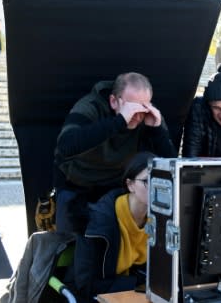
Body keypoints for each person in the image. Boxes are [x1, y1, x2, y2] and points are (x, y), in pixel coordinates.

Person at [53, 72, 177, 234]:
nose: (137, 115)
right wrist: (119, 122)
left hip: (116, 188)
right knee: (68, 247)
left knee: (113, 249)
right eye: (131, 107)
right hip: (78, 185)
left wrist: (157, 131)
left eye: (142, 108)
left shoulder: (146, 118)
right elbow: (66, 146)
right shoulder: (91, 106)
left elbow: (172, 166)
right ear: (113, 101)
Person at [73, 151, 155, 302]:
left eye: (160, 180)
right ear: (130, 185)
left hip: (135, 294)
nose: (157, 187)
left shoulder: (160, 221)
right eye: (147, 181)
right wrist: (138, 284)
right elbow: (86, 285)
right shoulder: (98, 221)